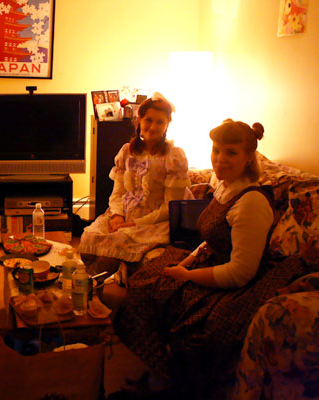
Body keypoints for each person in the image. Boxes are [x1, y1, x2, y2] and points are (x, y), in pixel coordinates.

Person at [112, 119, 309, 398]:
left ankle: (177, 384)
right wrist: (186, 262)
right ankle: (161, 371)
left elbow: (240, 272)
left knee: (190, 321)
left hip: (239, 281)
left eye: (231, 152)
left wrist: (188, 276)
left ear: (248, 157)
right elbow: (212, 235)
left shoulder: (251, 202)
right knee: (147, 280)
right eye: (216, 150)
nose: (219, 159)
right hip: (213, 258)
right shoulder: (227, 186)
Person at [79, 93, 191, 271]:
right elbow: (118, 192)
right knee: (89, 239)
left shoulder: (174, 156)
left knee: (111, 251)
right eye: (148, 120)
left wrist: (135, 224)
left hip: (154, 222)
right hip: (124, 214)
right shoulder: (127, 151)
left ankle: (109, 279)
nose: (153, 127)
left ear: (167, 124)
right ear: (139, 120)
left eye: (160, 122)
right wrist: (117, 216)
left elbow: (170, 207)